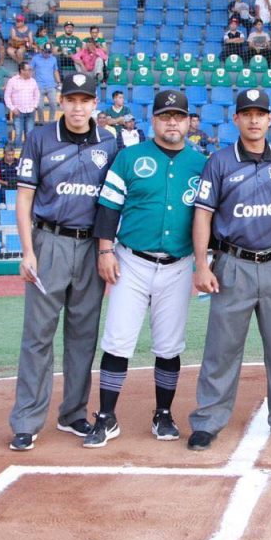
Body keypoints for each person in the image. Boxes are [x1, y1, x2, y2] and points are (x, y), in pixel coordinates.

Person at [187, 88, 271, 451]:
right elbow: (203, 215)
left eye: (260, 114)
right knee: (222, 349)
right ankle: (208, 419)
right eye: (247, 114)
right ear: (236, 119)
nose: (254, 120)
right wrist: (201, 264)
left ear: (270, 119)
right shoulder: (219, 162)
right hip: (233, 264)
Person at [83, 90, 205, 448]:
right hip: (131, 261)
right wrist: (105, 250)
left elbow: (209, 217)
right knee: (118, 340)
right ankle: (106, 416)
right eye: (165, 116)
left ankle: (163, 414)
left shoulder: (201, 164)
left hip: (178, 264)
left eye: (178, 116)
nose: (172, 122)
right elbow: (109, 207)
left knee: (169, 345)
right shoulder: (130, 157)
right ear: (153, 121)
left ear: (189, 122)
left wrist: (205, 261)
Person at [8, 73, 120, 451]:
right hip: (49, 241)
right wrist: (27, 251)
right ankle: (27, 420)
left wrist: (106, 249)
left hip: (90, 246)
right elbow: (25, 197)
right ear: (61, 101)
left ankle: (73, 412)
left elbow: (112, 201)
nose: (77, 107)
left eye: (84, 100)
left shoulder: (109, 141)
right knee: (38, 335)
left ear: (94, 104)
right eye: (71, 100)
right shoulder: (40, 138)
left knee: (83, 334)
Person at [5, 62, 40, 148]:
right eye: (29, 70)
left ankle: (29, 152)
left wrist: (35, 106)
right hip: (18, 112)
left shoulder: (33, 81)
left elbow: (37, 95)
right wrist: (13, 108)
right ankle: (18, 151)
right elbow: (7, 96)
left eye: (30, 70)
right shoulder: (12, 81)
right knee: (18, 133)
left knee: (30, 133)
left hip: (30, 111)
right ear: (22, 71)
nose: (31, 72)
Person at [30, 43, 61, 124]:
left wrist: (58, 81)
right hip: (39, 86)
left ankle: (51, 121)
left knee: (53, 104)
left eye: (49, 52)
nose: (47, 54)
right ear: (42, 50)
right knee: (39, 106)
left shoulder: (53, 59)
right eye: (46, 52)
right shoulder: (35, 58)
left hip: (51, 86)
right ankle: (42, 122)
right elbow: (30, 70)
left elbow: (55, 71)